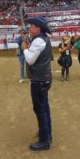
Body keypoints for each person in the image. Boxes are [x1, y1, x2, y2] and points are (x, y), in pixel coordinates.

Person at [21, 17, 52, 151]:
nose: (30, 28)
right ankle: (46, 134)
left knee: (39, 109)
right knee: (44, 107)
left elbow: (30, 60)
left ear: (38, 29)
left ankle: (44, 140)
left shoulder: (39, 40)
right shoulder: (42, 38)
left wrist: (24, 49)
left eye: (32, 26)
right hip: (43, 78)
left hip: (39, 80)